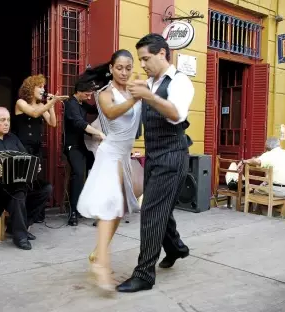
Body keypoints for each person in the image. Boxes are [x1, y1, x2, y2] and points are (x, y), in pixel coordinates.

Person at [116, 33, 195, 293]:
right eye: (141, 59)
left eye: (146, 58)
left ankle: (144, 275)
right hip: (154, 155)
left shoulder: (180, 82)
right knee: (160, 209)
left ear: (162, 53)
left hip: (173, 156)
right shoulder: (150, 82)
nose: (143, 64)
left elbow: (175, 114)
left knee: (151, 211)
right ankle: (177, 248)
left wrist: (147, 95)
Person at [76, 49, 142, 292]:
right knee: (110, 208)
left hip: (124, 154)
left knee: (120, 209)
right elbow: (113, 113)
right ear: (111, 69)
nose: (124, 72)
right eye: (119, 68)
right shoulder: (105, 93)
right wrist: (137, 98)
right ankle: (101, 266)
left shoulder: (132, 89)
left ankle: (97, 254)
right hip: (110, 154)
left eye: (128, 67)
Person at [0, 107, 53, 251]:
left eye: (8, 120)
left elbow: (26, 158)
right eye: (2, 120)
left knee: (46, 188)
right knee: (18, 192)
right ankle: (20, 235)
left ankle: (19, 226)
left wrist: (33, 167)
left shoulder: (13, 138)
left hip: (14, 181)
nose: (7, 123)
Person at [13, 74, 67, 222]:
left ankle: (32, 215)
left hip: (36, 149)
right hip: (22, 148)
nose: (43, 89)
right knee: (24, 183)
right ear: (31, 88)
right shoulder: (21, 103)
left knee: (35, 182)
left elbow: (53, 123)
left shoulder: (41, 106)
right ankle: (21, 218)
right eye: (40, 86)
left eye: (44, 86)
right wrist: (51, 103)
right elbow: (34, 113)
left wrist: (51, 104)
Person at [63, 79, 105, 226]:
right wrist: (99, 133)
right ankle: (73, 212)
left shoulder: (82, 103)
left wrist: (103, 95)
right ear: (78, 92)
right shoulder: (71, 104)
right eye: (87, 94)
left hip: (84, 146)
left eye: (90, 94)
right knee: (79, 174)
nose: (89, 97)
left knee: (98, 171)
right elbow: (80, 123)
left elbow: (95, 109)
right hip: (72, 146)